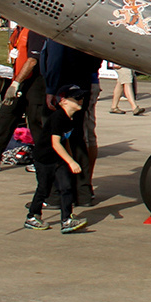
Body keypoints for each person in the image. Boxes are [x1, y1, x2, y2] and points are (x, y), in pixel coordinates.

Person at [0, 26, 46, 170]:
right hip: (20, 80)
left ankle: (42, 161)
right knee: (7, 116)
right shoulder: (19, 30)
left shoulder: (35, 30)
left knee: (36, 122)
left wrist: (16, 83)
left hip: (35, 82)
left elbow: (32, 60)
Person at [41, 39, 102, 205]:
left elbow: (55, 57)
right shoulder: (87, 34)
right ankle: (83, 191)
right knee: (78, 138)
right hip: (83, 82)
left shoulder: (60, 32)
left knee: (54, 138)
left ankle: (55, 193)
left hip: (63, 85)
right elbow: (96, 59)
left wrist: (51, 88)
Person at [25, 84, 88, 233]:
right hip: (44, 159)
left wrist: (69, 158)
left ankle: (66, 220)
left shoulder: (71, 118)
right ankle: (32, 216)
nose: (81, 100)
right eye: (76, 98)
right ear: (63, 101)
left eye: (81, 97)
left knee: (66, 187)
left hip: (58, 159)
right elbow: (55, 143)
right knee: (43, 189)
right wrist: (71, 161)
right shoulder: (58, 117)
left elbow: (64, 141)